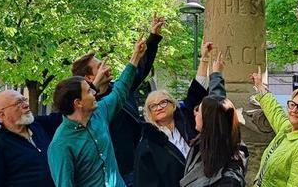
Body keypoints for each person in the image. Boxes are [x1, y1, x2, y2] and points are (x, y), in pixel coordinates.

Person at [71, 16, 165, 186]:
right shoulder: (83, 108)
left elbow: (140, 68)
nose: (107, 68)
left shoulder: (119, 88)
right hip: (111, 175)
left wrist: (153, 38)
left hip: (136, 166)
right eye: (100, 67)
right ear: (88, 77)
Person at [48, 36, 148, 186]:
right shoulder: (61, 144)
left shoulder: (99, 113)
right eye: (89, 91)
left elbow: (120, 90)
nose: (94, 93)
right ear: (78, 103)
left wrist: (135, 57)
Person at [134, 42, 224, 187]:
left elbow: (197, 91)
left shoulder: (187, 121)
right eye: (153, 106)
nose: (158, 107)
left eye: (163, 102)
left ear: (173, 105)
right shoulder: (148, 145)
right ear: (149, 113)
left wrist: (204, 59)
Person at [180, 53, 246, 187]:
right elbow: (219, 106)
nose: (195, 112)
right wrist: (215, 74)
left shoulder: (229, 180)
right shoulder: (210, 142)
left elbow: (218, 108)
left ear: (209, 121)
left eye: (199, 109)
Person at [250, 67, 298, 187]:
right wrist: (260, 86)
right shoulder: (288, 128)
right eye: (292, 104)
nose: (294, 110)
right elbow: (274, 111)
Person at [0, 89, 63, 187]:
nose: (26, 105)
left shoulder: (39, 125)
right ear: (2, 115)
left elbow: (67, 115)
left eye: (24, 100)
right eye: (18, 103)